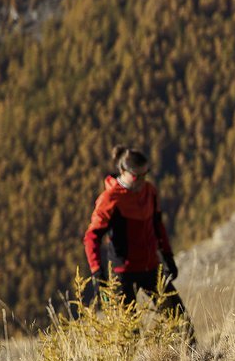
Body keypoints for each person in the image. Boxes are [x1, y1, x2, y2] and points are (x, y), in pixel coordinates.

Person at [82, 146, 193, 341]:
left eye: (145, 174)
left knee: (180, 320)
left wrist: (168, 257)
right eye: (137, 176)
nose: (142, 180)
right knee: (128, 333)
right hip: (122, 274)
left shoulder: (149, 191)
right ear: (123, 172)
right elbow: (92, 237)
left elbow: (158, 226)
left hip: (151, 267)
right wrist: (97, 272)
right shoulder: (110, 199)